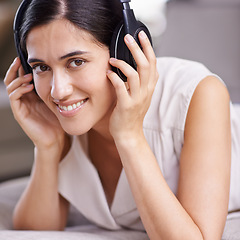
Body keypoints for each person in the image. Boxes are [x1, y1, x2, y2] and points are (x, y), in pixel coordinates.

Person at [3, 0, 240, 239]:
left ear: (123, 53)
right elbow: (33, 232)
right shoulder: (63, 121)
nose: (58, 91)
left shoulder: (199, 94)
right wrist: (47, 148)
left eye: (76, 62)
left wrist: (129, 136)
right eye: (42, 67)